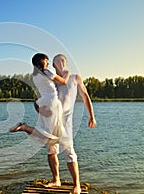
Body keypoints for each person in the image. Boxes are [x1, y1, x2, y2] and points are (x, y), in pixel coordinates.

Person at [9, 53, 70, 187]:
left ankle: (56, 180)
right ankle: (25, 127)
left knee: (51, 147)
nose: (47, 64)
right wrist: (68, 72)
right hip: (52, 104)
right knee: (52, 138)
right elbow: (64, 81)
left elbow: (38, 94)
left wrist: (38, 106)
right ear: (39, 65)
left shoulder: (35, 76)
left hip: (43, 103)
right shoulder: (46, 72)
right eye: (46, 62)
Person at [45, 54, 97, 194]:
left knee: (69, 152)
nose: (61, 63)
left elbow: (85, 96)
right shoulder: (52, 80)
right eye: (58, 61)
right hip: (51, 121)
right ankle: (56, 180)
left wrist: (92, 116)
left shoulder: (75, 78)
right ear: (54, 65)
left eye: (63, 60)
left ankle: (77, 185)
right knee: (51, 151)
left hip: (66, 121)